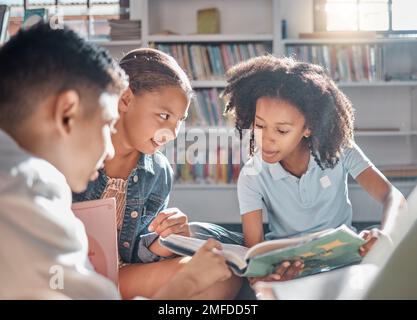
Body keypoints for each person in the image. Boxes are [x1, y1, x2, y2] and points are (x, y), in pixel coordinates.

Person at [0, 22, 232, 300]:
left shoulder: (17, 176)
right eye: (107, 123)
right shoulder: (31, 188)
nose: (109, 150)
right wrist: (186, 282)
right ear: (66, 113)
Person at [73, 48, 244, 299]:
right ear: (126, 99)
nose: (172, 132)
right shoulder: (76, 153)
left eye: (179, 120)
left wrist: (164, 240)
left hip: (124, 273)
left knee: (224, 271)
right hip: (76, 273)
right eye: (164, 115)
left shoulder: (159, 171)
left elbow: (136, 254)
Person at [223, 55, 406, 284]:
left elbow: (392, 196)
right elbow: (255, 253)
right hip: (288, 266)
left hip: (344, 258)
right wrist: (263, 279)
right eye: (260, 125)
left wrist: (386, 232)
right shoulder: (252, 175)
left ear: (308, 128)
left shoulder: (339, 150)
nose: (266, 140)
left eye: (281, 131)